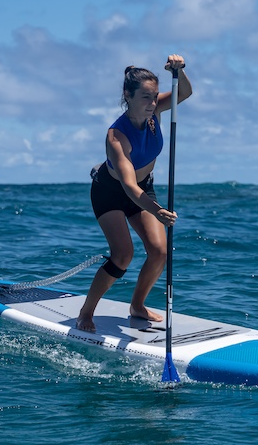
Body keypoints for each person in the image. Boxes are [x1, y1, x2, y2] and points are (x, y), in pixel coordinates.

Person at [76, 55, 192, 333]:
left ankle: (137, 305)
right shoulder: (117, 136)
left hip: (144, 188)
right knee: (123, 255)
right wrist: (156, 210)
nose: (153, 103)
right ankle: (86, 312)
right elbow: (128, 186)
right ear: (128, 96)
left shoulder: (156, 114)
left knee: (159, 250)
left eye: (155, 97)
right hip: (111, 191)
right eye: (145, 97)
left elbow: (184, 92)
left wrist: (180, 70)